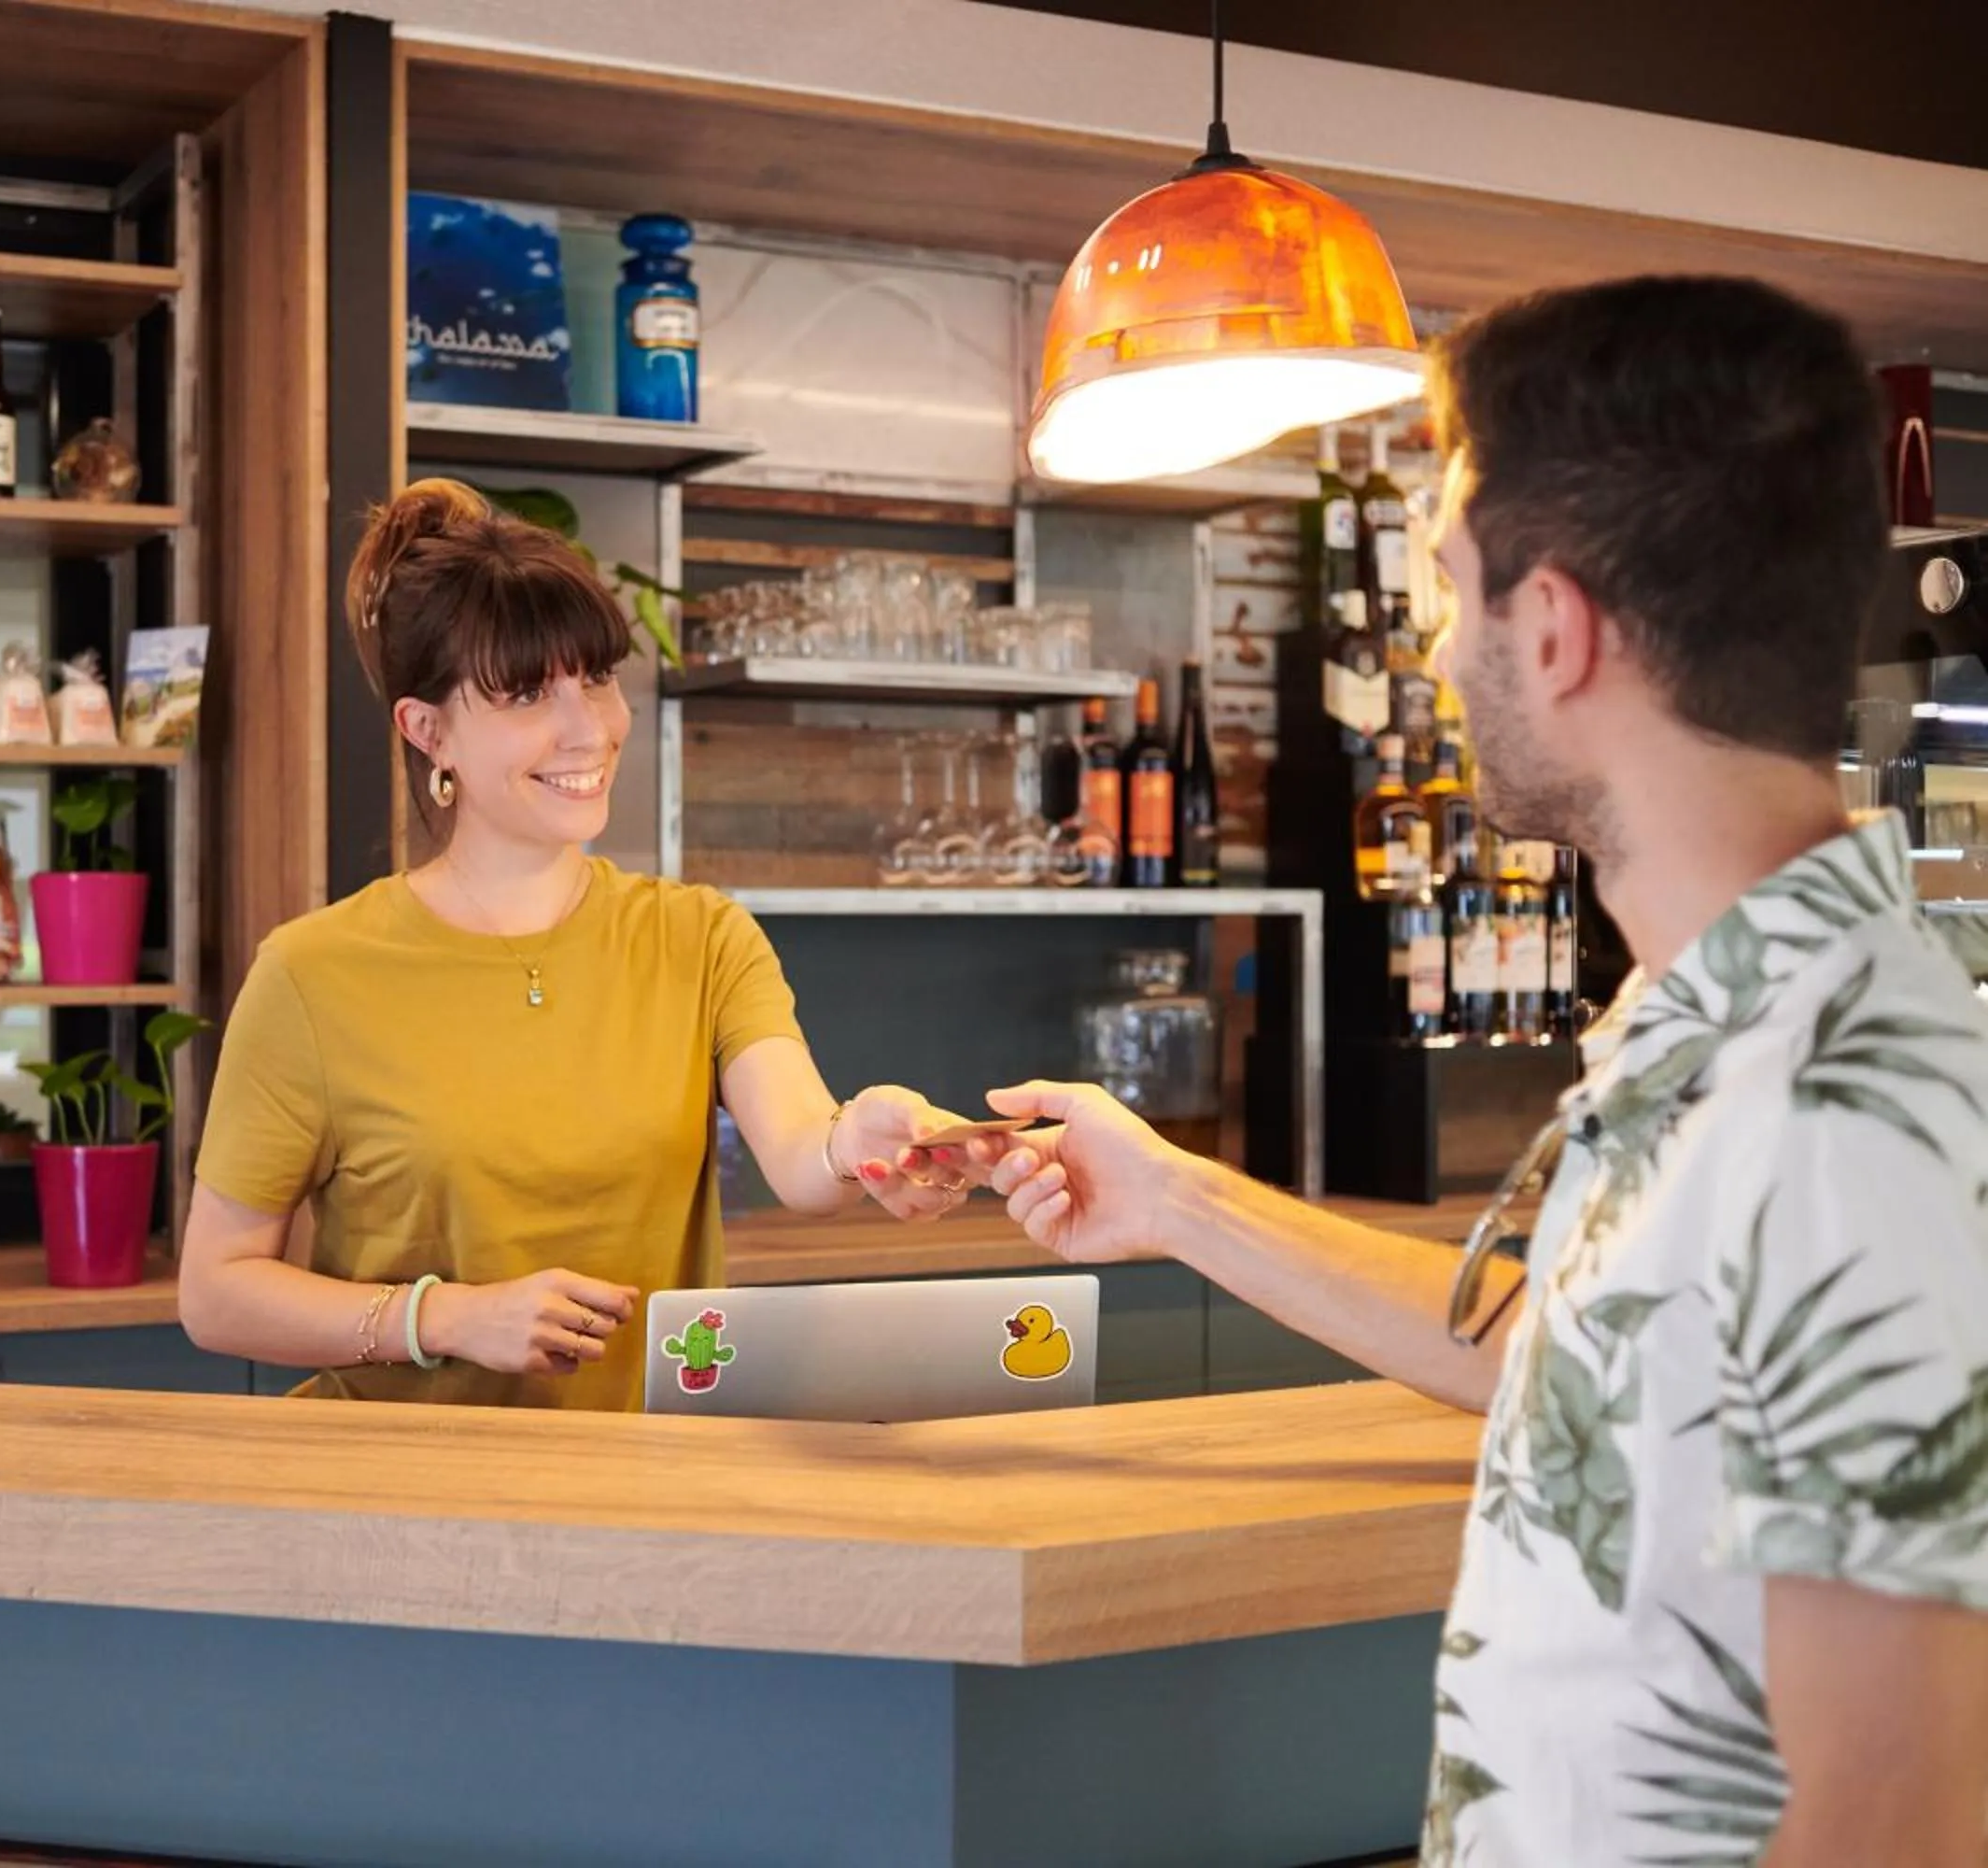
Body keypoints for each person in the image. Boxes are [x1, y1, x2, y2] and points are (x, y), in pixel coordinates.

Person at [982, 277, 1988, 1864]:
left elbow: (1905, 1814)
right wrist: (1173, 1198)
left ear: (1557, 627)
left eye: (1453, 592)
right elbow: (1554, 1349)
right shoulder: (1695, 1012)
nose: (1438, 653)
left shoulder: (1838, 1103)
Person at [181, 478, 977, 1409]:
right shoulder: (311, 974)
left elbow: (803, 1148)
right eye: (526, 691)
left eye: (594, 676)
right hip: (398, 1502)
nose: (587, 726)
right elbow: (217, 1289)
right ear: (426, 730)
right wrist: (440, 1318)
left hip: (643, 1491)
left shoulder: (700, 936)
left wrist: (860, 1142)